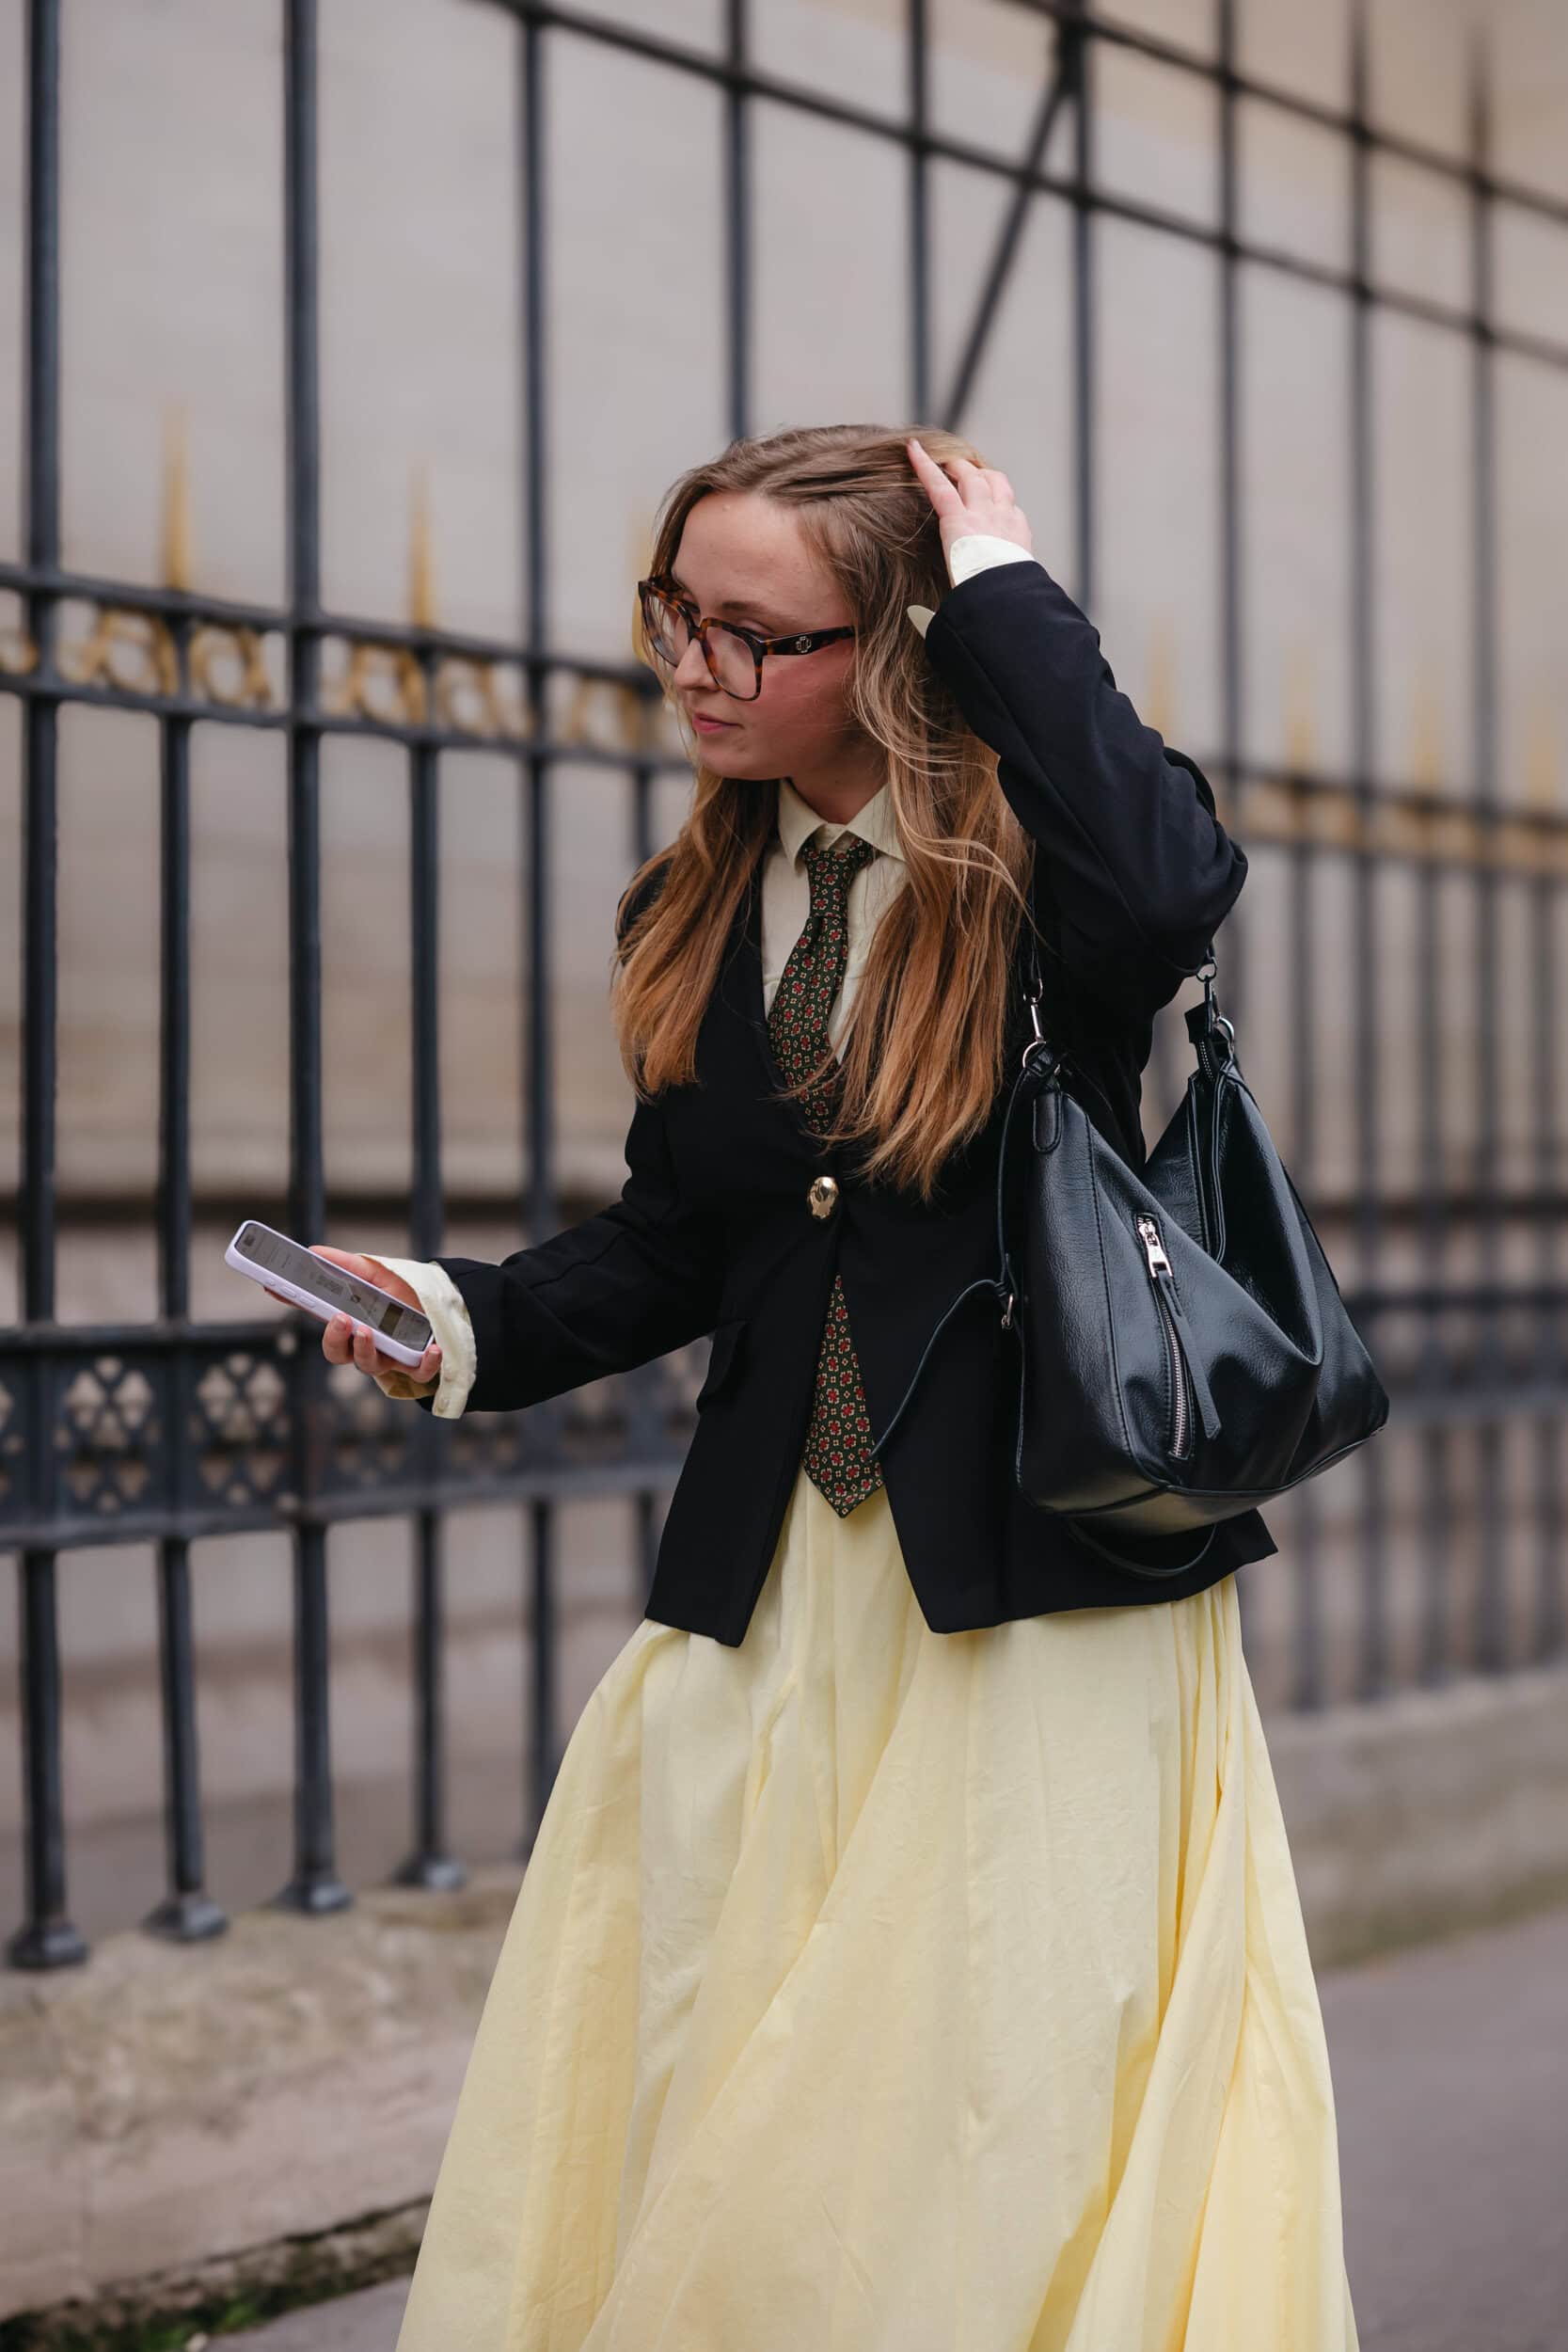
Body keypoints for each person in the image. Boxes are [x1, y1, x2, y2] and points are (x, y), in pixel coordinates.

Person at [292, 426, 1358, 2348]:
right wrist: (455, 1320)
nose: (695, 669)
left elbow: (1178, 878)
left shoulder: (1044, 887)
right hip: (769, 1607)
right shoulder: (700, 902)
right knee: (728, 2090)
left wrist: (1009, 593)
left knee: (983, 2123)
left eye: (752, 635)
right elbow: (681, 1246)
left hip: (1027, 1605)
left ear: (889, 650)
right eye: (674, 616)